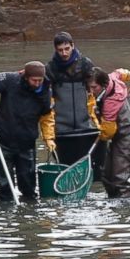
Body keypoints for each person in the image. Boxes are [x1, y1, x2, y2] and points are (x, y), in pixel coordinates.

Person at [0, 62, 54, 203]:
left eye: (40, 80)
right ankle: (6, 204)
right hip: (4, 137)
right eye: (34, 80)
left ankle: (29, 205)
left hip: (27, 141)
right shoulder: (11, 80)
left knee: (28, 179)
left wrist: (49, 137)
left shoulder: (45, 92)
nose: (37, 84)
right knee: (5, 179)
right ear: (26, 77)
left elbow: (47, 116)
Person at [88, 65, 130, 198]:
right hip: (118, 138)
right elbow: (119, 73)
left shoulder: (111, 101)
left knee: (119, 180)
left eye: (94, 87)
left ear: (103, 84)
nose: (91, 91)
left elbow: (109, 132)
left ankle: (123, 210)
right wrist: (129, 74)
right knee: (106, 176)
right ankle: (112, 202)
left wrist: (102, 133)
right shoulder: (111, 79)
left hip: (128, 138)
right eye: (88, 87)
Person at [47, 32, 100, 166]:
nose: (64, 53)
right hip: (61, 126)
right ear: (55, 49)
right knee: (65, 164)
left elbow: (98, 85)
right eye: (60, 50)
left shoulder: (85, 64)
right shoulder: (51, 68)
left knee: (87, 162)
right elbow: (44, 96)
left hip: (85, 123)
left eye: (67, 49)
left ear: (73, 46)